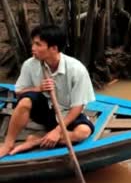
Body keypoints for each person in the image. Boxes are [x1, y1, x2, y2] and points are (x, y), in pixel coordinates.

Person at [0, 24, 96, 158]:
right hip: (43, 111)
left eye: (38, 44)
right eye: (33, 43)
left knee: (83, 132)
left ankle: (36, 141)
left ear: (54, 48)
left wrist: (58, 131)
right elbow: (19, 92)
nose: (33, 48)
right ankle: (8, 144)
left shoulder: (76, 69)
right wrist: (38, 88)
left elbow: (78, 106)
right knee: (25, 101)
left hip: (65, 112)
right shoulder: (30, 64)